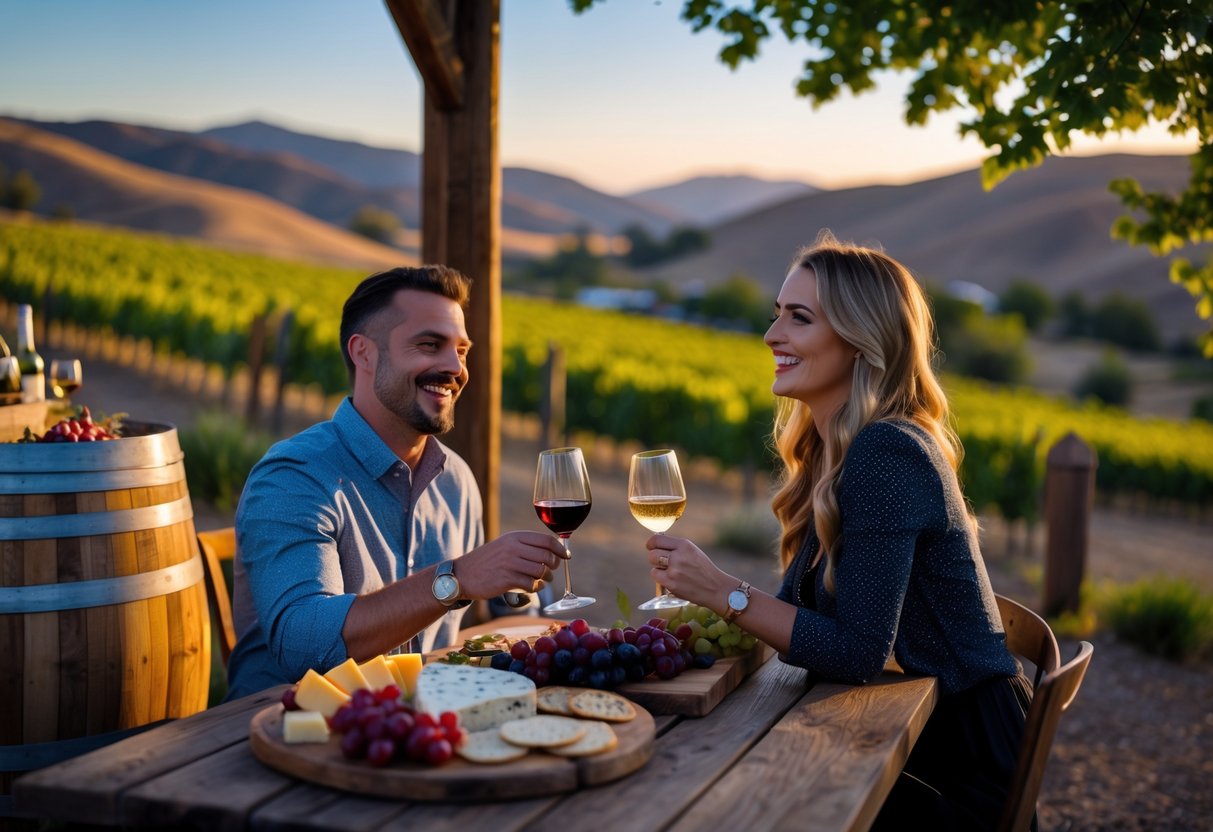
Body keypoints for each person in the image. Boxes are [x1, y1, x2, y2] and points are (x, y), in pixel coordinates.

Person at [645, 233, 1033, 829]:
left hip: (962, 771)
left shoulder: (887, 451)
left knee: (741, 800)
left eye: (798, 318)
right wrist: (711, 606)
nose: (772, 335)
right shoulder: (838, 450)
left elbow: (856, 652)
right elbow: (803, 620)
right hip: (927, 739)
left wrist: (721, 589)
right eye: (776, 314)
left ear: (859, 342)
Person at [226, 265, 567, 699]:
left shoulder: (457, 481)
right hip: (277, 733)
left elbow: (481, 624)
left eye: (461, 351)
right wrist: (456, 579)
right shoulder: (295, 477)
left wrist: (521, 599)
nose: (454, 367)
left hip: (407, 727)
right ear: (363, 353)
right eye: (430, 345)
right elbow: (305, 647)